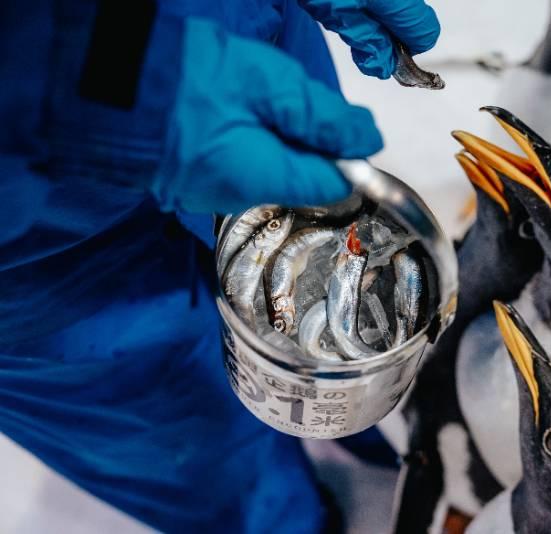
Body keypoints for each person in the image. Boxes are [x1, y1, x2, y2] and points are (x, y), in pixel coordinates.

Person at [0, 0, 439, 532]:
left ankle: (371, 428)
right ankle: (284, 521)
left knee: (324, 233)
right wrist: (78, 79)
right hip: (35, 229)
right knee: (178, 434)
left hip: (241, 36)